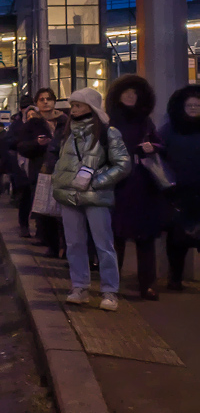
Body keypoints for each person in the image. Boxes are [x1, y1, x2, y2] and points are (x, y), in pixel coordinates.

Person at [51, 87, 131, 311]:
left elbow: (123, 164)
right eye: (73, 105)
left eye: (78, 105)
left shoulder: (108, 132)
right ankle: (79, 287)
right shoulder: (67, 132)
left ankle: (109, 291)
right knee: (74, 244)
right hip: (69, 195)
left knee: (103, 244)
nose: (73, 109)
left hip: (96, 196)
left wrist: (97, 182)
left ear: (91, 107)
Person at [106, 75, 166, 299]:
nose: (130, 96)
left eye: (134, 93)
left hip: (143, 187)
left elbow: (160, 143)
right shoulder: (110, 121)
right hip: (118, 186)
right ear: (118, 96)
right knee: (115, 238)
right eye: (126, 93)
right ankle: (111, 284)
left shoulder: (145, 121)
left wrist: (152, 147)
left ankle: (147, 284)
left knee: (145, 238)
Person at [159, 84, 200, 291]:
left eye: (197, 105)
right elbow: (159, 153)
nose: (193, 108)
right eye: (190, 105)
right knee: (177, 240)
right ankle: (175, 278)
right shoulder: (170, 129)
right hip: (179, 192)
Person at [19, 90, 69, 256]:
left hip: (64, 171)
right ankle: (53, 247)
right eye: (42, 99)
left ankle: (67, 248)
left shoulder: (66, 121)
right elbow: (22, 147)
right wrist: (37, 143)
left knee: (65, 213)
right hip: (40, 171)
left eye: (49, 99)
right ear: (37, 103)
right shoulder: (32, 124)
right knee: (45, 214)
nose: (46, 102)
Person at [6, 104, 40, 233]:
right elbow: (10, 142)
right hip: (23, 168)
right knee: (25, 198)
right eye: (29, 115)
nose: (31, 117)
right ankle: (24, 225)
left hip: (37, 167)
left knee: (37, 199)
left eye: (34, 115)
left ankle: (39, 230)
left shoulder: (42, 127)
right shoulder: (19, 127)